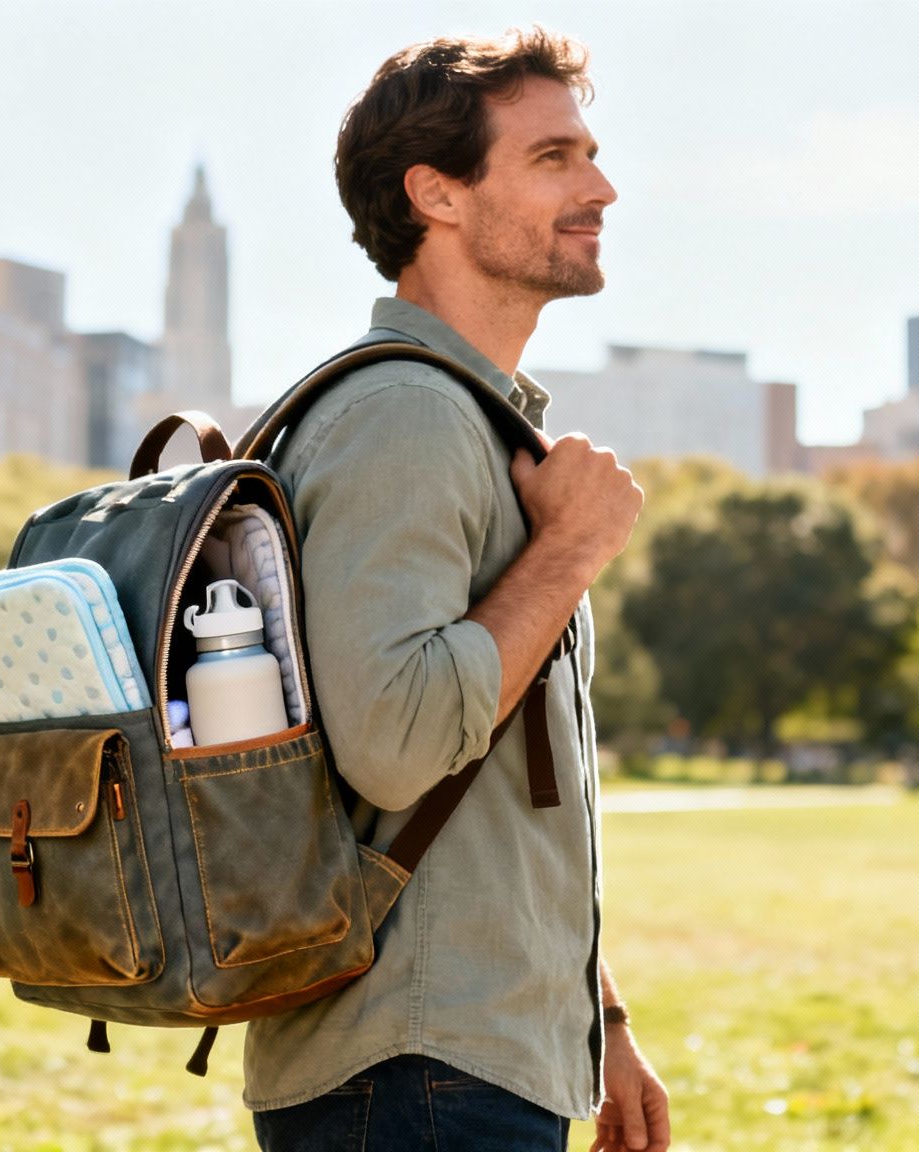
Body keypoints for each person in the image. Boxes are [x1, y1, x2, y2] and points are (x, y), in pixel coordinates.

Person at [242, 27, 672, 1152]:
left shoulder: (467, 419)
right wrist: (568, 552)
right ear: (434, 192)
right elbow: (395, 743)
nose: (601, 187)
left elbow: (490, 794)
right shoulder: (406, 415)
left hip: (467, 1058)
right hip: (412, 1075)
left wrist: (598, 1017)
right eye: (552, 158)